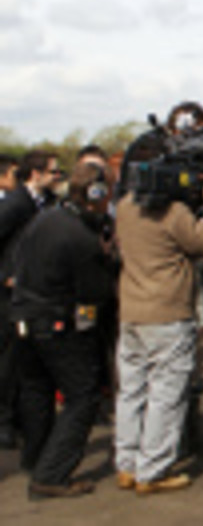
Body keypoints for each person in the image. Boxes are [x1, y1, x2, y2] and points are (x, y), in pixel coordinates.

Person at [113, 150, 203, 494]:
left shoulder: (125, 207)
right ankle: (154, 470)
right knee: (166, 393)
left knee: (131, 390)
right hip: (167, 314)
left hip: (131, 312)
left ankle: (127, 464)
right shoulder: (173, 213)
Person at [11, 162, 116, 499]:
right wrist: (109, 261)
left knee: (36, 391)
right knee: (82, 396)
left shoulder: (45, 218)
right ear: (96, 195)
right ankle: (52, 475)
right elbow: (96, 291)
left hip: (25, 316)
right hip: (58, 322)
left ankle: (36, 460)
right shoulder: (79, 237)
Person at [0, 150, 61, 450]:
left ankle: (23, 421)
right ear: (36, 174)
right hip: (10, 294)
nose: (58, 177)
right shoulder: (15, 205)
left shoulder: (46, 203)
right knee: (9, 361)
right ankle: (4, 422)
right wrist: (5, 275)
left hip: (32, 291)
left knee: (25, 361)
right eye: (53, 172)